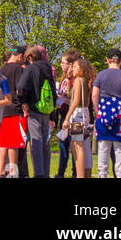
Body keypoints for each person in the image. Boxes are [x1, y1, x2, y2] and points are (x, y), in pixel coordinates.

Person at [93, 48, 121, 178]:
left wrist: (97, 111)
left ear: (107, 60)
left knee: (103, 148)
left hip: (104, 112)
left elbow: (94, 95)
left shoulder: (100, 75)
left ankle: (102, 175)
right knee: (120, 149)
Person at [18, 43, 57, 178]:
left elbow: (22, 87)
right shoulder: (49, 69)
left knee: (36, 141)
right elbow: (53, 92)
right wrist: (53, 114)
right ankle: (45, 173)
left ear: (30, 57)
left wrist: (23, 101)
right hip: (46, 110)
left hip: (34, 109)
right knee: (45, 143)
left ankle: (39, 173)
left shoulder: (30, 69)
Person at [0, 47, 28, 178]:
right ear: (20, 56)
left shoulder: (1, 70)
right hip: (14, 107)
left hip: (3, 109)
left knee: (3, 142)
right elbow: (20, 89)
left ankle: (1, 170)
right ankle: (13, 170)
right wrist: (23, 103)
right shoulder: (18, 69)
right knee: (13, 143)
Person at [62, 55, 94, 179]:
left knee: (77, 147)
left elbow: (75, 101)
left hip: (78, 115)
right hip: (83, 113)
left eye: (75, 67)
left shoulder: (80, 80)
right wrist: (69, 75)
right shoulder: (83, 80)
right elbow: (71, 95)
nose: (72, 68)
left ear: (81, 69)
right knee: (78, 146)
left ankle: (80, 175)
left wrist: (66, 118)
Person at [54, 51, 77, 179]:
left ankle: (75, 172)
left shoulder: (73, 79)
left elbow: (74, 97)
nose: (61, 65)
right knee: (63, 144)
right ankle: (61, 172)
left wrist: (63, 97)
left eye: (63, 63)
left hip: (71, 116)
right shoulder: (64, 78)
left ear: (70, 64)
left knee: (73, 145)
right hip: (63, 113)